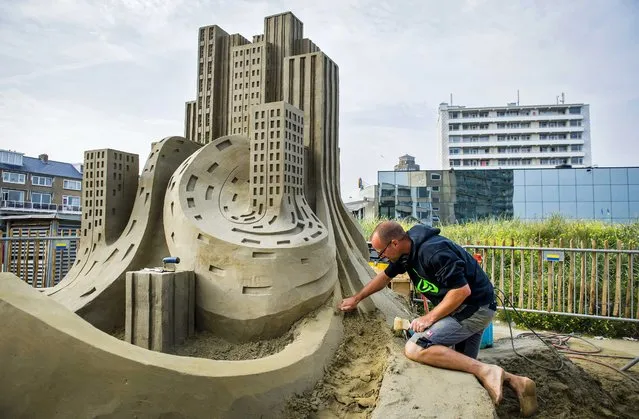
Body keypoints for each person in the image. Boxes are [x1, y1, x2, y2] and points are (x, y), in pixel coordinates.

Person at [339, 221, 538, 417]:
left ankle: (488, 371)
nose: (382, 257)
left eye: (381, 252)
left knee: (416, 347)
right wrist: (357, 298)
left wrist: (429, 318)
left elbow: (461, 291)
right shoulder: (406, 253)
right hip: (464, 309)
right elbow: (384, 277)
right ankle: (517, 382)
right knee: (462, 365)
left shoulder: (433, 252)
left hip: (474, 309)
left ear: (394, 243)